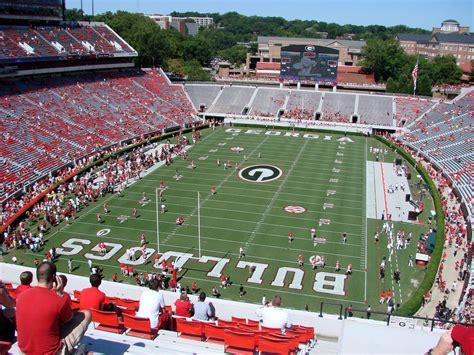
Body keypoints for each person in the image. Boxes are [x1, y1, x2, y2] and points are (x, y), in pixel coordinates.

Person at [16, 262, 91, 354]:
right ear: (54, 277)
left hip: (24, 350)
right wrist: (59, 294)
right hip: (52, 352)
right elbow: (69, 320)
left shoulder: (22, 295)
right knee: (87, 314)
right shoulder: (58, 299)